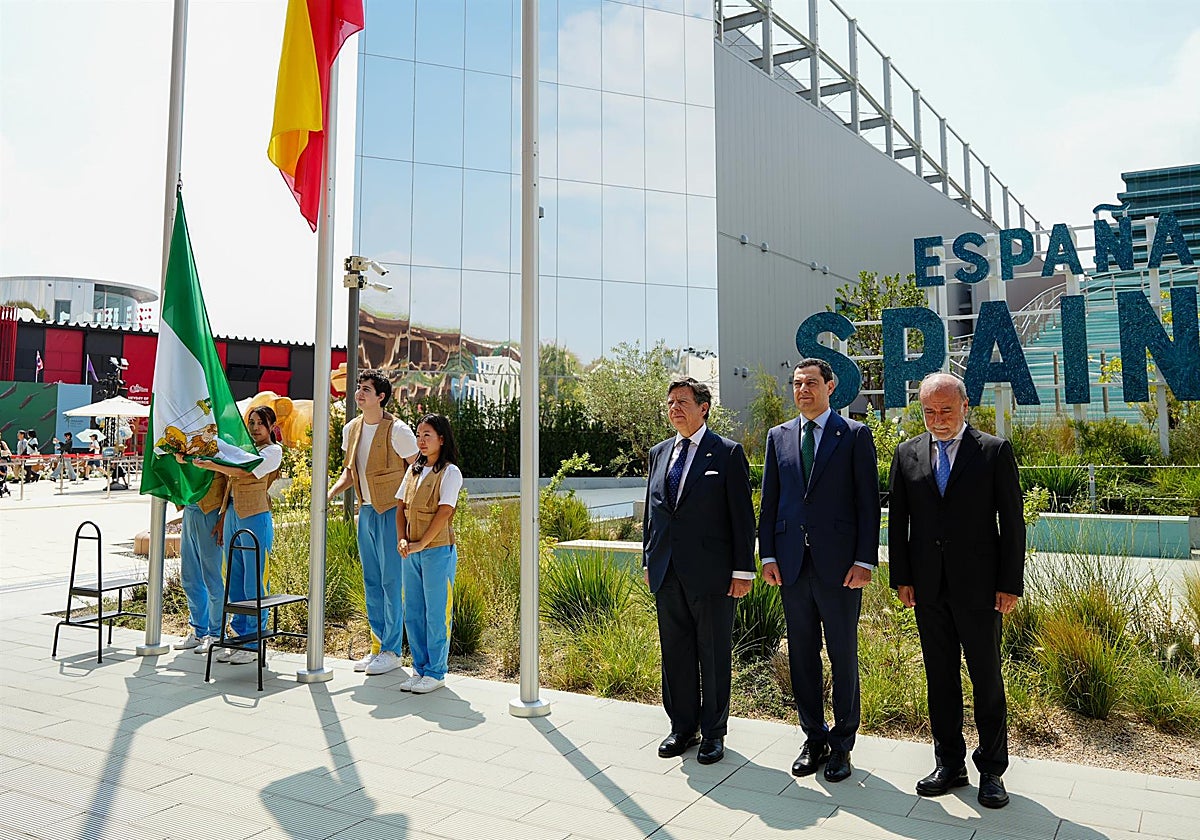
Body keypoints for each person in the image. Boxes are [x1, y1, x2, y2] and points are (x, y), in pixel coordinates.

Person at [888, 372, 1025, 809]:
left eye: (946, 410)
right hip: (928, 590)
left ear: (965, 406)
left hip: (981, 590)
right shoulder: (906, 453)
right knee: (939, 679)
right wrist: (903, 578)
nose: (938, 419)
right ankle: (950, 763)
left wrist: (1009, 583)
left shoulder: (993, 451)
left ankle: (991, 771)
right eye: (929, 411)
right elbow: (898, 524)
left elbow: (1013, 523)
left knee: (986, 680)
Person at [757, 359, 880, 782]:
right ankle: (814, 737)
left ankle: (843, 745)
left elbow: (868, 504)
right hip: (792, 566)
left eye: (810, 382)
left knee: (843, 655)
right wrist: (767, 555)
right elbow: (769, 501)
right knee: (802, 656)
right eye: (796, 383)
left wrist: (864, 561)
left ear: (831, 386)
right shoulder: (778, 437)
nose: (803, 389)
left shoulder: (855, 435)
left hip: (841, 567)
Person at [643, 377, 756, 766]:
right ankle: (682, 728)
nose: (675, 408)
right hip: (666, 571)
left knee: (713, 653)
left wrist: (743, 570)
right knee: (675, 653)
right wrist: (648, 560)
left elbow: (743, 518)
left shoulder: (725, 453)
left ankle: (714, 733)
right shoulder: (659, 453)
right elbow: (651, 515)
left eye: (683, 401)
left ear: (703, 407)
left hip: (712, 574)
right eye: (670, 402)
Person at [327, 370, 418, 676]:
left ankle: (393, 651)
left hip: (391, 512)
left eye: (366, 389)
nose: (360, 393)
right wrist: (330, 493)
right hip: (365, 512)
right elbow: (350, 472)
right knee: (372, 581)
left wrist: (408, 508)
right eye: (359, 388)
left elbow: (417, 469)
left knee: (392, 581)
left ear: (381, 397)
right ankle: (378, 646)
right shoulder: (351, 428)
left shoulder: (399, 431)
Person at [194, 406, 284, 666]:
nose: (255, 428)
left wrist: (213, 464)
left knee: (254, 583)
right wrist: (223, 518)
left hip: (256, 516)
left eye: (261, 423)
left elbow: (244, 472)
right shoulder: (244, 449)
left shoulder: (272, 452)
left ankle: (254, 642)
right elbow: (231, 484)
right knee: (233, 581)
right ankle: (239, 638)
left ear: (271, 426)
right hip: (233, 515)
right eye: (252, 422)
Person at [394, 414, 463, 694]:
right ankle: (419, 669)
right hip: (410, 552)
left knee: (436, 613)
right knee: (413, 612)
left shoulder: (450, 472)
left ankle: (436, 672)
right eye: (418, 435)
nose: (421, 441)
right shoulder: (413, 470)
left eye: (428, 435)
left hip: (436, 552)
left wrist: (421, 543)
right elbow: (401, 508)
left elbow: (445, 512)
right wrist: (402, 539)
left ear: (442, 439)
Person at [173, 472, 229, 656]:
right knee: (189, 577)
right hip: (190, 510)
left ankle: (217, 634)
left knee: (213, 579)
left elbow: (230, 482)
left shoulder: (223, 445)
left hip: (211, 512)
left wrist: (223, 519)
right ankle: (199, 631)